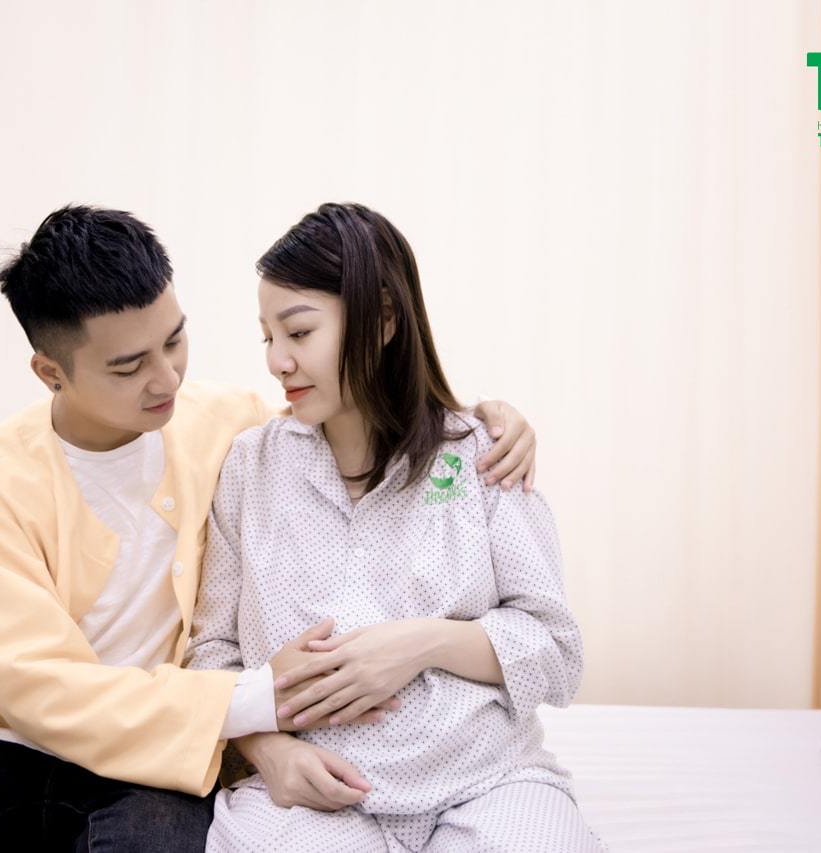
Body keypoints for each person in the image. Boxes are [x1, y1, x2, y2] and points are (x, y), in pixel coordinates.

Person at [0, 205, 538, 853]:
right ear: (51, 371)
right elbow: (39, 691)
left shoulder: (233, 425)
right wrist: (262, 699)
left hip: (167, 757)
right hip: (4, 740)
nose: (166, 377)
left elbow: (361, 407)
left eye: (175, 340)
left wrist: (485, 419)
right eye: (128, 365)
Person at [185, 202, 605, 852]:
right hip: (313, 796)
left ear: (383, 320)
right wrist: (269, 752)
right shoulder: (250, 466)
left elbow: (556, 652)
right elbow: (212, 654)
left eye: (298, 332)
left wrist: (420, 643)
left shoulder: (481, 453)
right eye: (267, 337)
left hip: (485, 781)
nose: (277, 360)